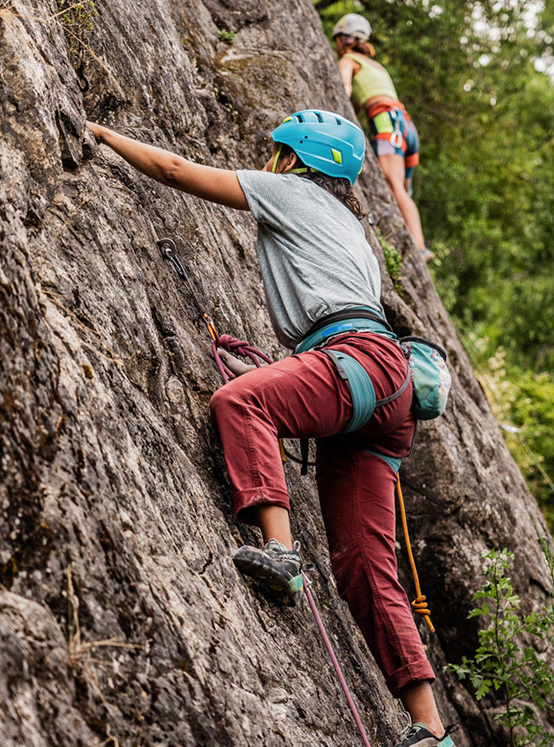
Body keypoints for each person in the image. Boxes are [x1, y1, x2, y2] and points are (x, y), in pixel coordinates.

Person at [85, 111, 454, 747]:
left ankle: (281, 554)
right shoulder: (351, 226)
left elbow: (176, 170)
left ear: (297, 158)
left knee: (240, 402)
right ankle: (432, 732)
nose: (272, 160)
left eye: (280, 151)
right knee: (368, 567)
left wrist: (102, 136)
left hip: (357, 362)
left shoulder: (288, 190)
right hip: (385, 390)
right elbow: (338, 318)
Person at [332, 13, 432, 262]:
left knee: (395, 187)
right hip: (406, 127)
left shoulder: (349, 59)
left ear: (346, 39)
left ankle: (419, 249)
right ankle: (418, 245)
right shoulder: (376, 67)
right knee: (403, 192)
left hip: (387, 122)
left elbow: (343, 89)